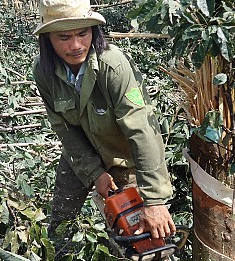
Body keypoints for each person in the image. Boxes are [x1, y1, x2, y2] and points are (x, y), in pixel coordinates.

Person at [32, 0, 176, 244]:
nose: (76, 45)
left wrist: (154, 200)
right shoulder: (44, 72)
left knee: (141, 235)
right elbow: (64, 129)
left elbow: (142, 130)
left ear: (93, 31)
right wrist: (95, 173)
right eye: (64, 37)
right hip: (80, 153)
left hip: (123, 155)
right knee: (60, 223)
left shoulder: (113, 66)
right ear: (47, 39)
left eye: (82, 33)